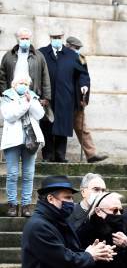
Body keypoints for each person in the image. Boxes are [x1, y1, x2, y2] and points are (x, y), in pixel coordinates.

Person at [38, 28, 90, 163]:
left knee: (62, 124)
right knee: (47, 125)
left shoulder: (72, 55)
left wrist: (84, 85)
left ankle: (60, 155)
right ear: (50, 37)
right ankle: (47, 155)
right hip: (47, 96)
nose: (56, 39)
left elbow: (83, 73)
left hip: (65, 96)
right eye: (53, 37)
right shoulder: (42, 53)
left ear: (62, 37)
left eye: (58, 37)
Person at [1, 74, 45, 217]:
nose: (23, 85)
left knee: (28, 175)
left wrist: (30, 101)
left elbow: (40, 114)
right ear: (14, 84)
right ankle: (12, 205)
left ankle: (26, 206)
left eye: (26, 83)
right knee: (12, 174)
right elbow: (10, 115)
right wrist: (25, 105)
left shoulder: (32, 97)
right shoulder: (6, 97)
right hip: (12, 141)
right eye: (20, 82)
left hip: (30, 141)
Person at [65, 36, 107, 163]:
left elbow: (85, 78)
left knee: (82, 127)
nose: (77, 50)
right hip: (64, 98)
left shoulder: (81, 58)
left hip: (77, 100)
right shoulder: (61, 57)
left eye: (79, 48)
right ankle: (57, 155)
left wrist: (85, 99)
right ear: (68, 46)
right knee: (60, 129)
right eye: (75, 48)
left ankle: (91, 154)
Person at [0, 27, 51, 106]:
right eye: (22, 38)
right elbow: (2, 77)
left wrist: (46, 97)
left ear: (30, 39)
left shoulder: (38, 56)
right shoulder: (8, 56)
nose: (25, 41)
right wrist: (5, 94)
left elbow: (45, 76)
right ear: (18, 40)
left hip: (32, 95)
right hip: (13, 96)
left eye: (27, 38)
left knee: (32, 117)